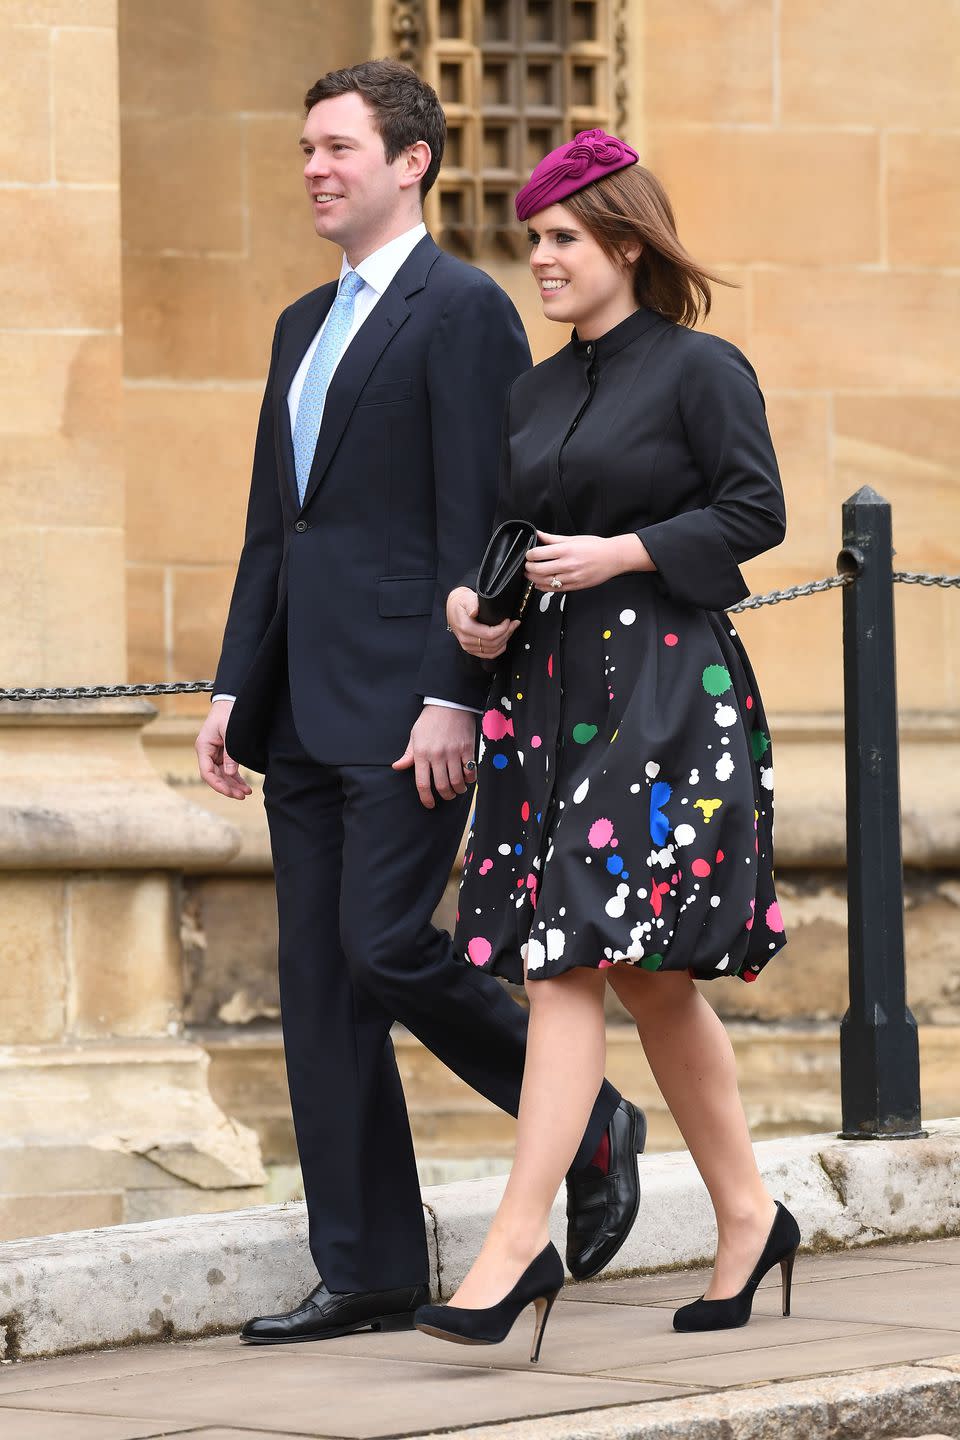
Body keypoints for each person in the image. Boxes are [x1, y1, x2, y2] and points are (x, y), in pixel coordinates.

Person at [195, 65, 645, 1346]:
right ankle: (370, 1271)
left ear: (414, 163)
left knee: (384, 944)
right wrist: (235, 684)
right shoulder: (298, 324)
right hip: (300, 706)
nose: (315, 170)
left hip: (410, 702)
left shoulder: (463, 312)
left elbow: (484, 520)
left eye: (339, 148)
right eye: (305, 150)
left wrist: (458, 693)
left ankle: (588, 1115)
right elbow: (274, 528)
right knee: (319, 986)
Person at [415, 130, 799, 1364]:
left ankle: (517, 1242)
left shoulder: (700, 368)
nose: (541, 259)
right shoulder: (534, 392)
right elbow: (512, 535)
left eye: (564, 239)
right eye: (533, 240)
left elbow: (757, 512)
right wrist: (478, 621)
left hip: (666, 699)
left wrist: (626, 552)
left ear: (627, 244)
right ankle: (750, 1215)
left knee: (563, 957)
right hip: (546, 695)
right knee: (643, 977)